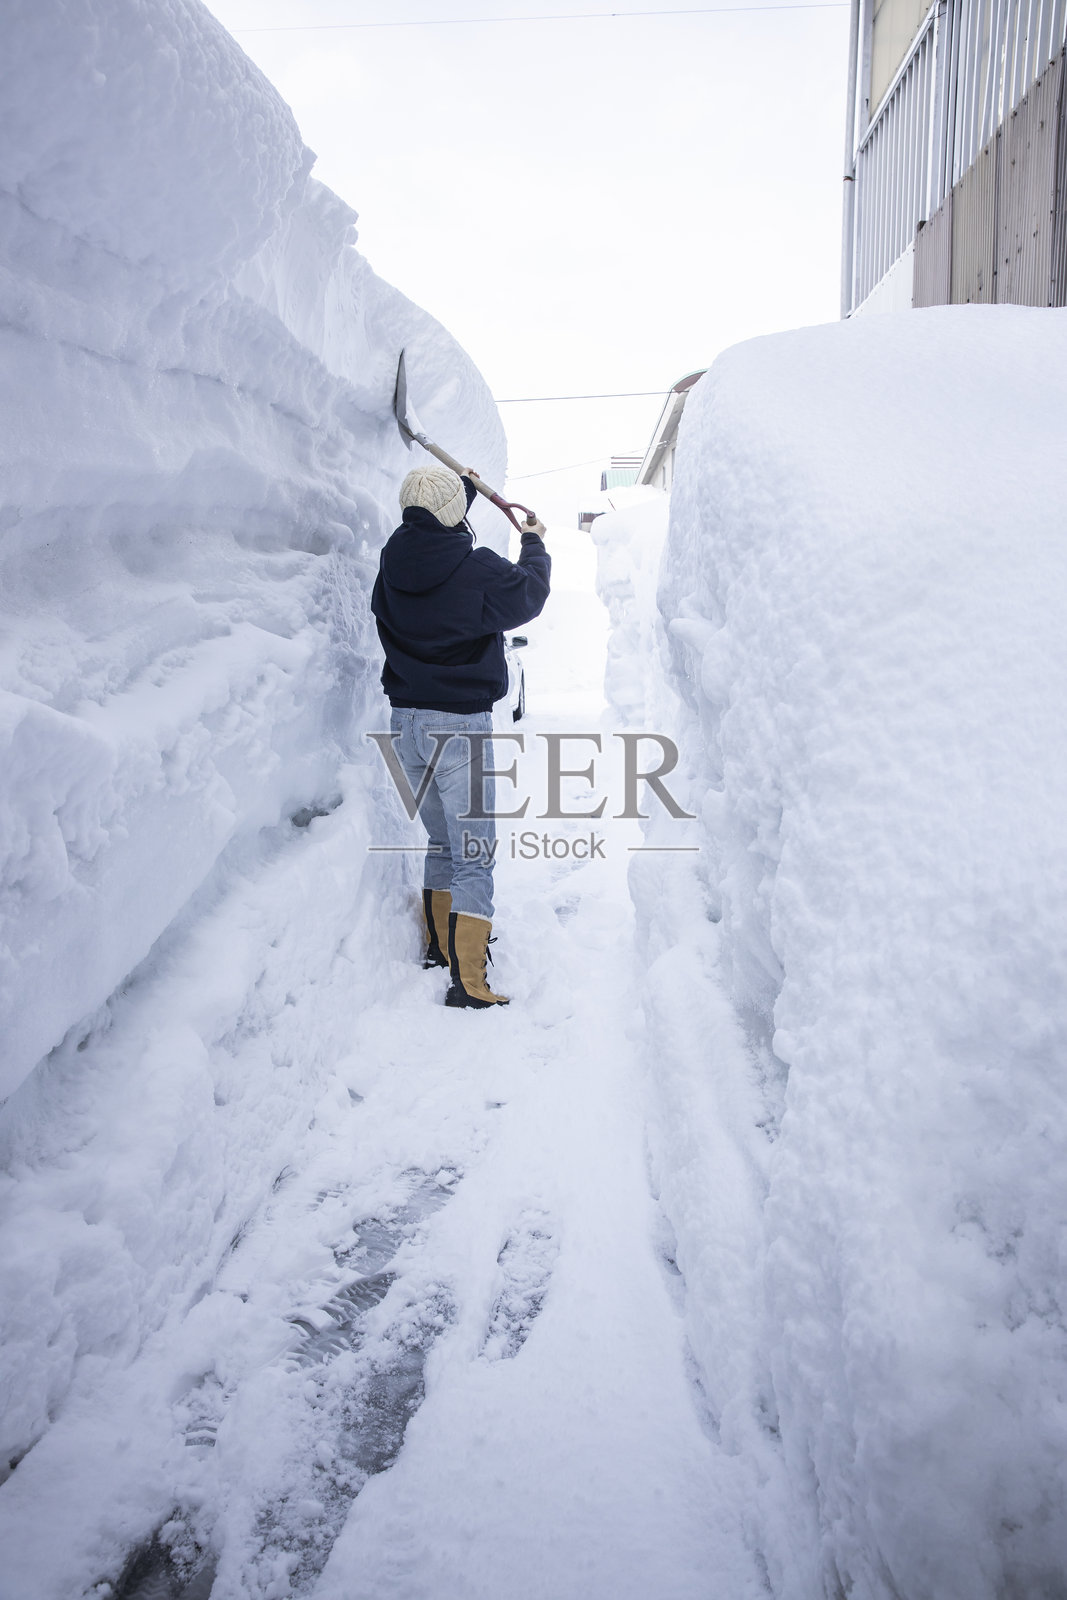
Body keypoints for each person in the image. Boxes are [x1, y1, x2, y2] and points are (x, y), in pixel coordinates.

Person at [370, 463, 551, 1008]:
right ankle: (469, 981)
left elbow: (434, 521)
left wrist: (462, 488)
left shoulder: (392, 564)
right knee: (474, 851)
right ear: (453, 514)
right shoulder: (475, 569)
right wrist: (534, 543)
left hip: (406, 726)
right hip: (458, 729)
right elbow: (530, 594)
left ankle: (440, 947)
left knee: (444, 842)